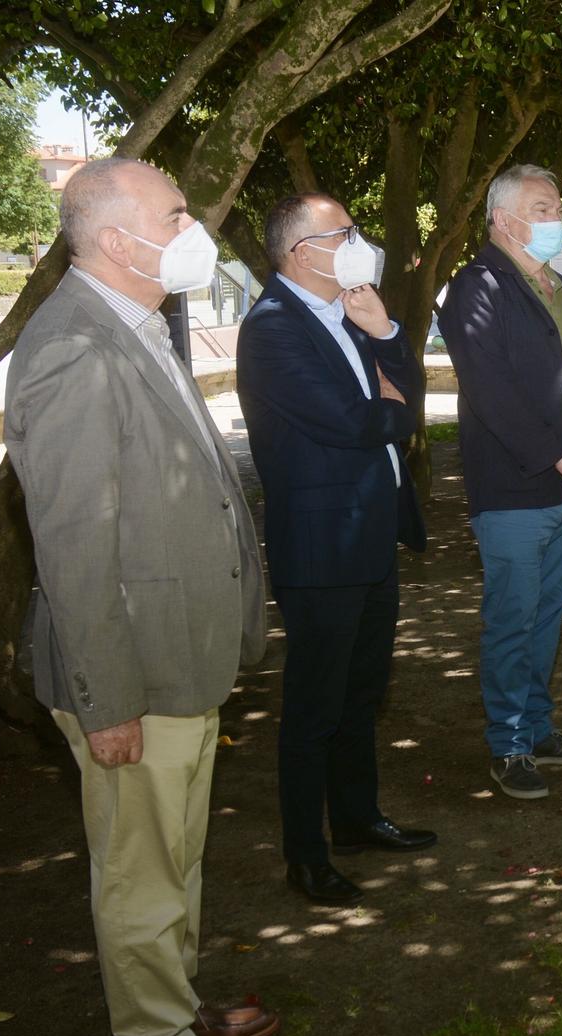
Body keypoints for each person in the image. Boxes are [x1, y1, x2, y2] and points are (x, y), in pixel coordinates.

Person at [9, 158, 282, 1036]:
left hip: (181, 656)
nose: (194, 228)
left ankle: (174, 1003)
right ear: (120, 241)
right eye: (177, 214)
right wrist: (108, 699)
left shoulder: (136, 320)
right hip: (134, 671)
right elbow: (76, 546)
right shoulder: (75, 346)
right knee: (139, 865)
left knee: (174, 852)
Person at [238, 193, 436, 908]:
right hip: (323, 546)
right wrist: (392, 407)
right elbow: (357, 422)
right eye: (343, 233)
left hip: (370, 533)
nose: (357, 242)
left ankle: (356, 819)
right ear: (301, 253)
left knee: (361, 691)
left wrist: (385, 336)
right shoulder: (271, 328)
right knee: (314, 706)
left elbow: (407, 394)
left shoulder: (347, 313)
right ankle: (307, 854)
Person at [439, 164, 562, 801]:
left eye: (558, 207)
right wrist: (559, 457)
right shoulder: (476, 287)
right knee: (513, 618)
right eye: (544, 207)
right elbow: (491, 390)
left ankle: (538, 728)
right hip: (518, 488)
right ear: (505, 219)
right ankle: (508, 744)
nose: (557, 219)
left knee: (551, 611)